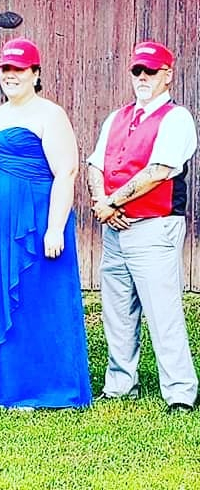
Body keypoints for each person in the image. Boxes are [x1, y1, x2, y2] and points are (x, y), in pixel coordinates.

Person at [0, 38, 91, 409]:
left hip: (34, 223)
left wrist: (55, 227)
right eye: (6, 69)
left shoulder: (51, 115)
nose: (11, 76)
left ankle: (41, 387)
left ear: (36, 74)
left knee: (35, 301)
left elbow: (65, 172)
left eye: (19, 69)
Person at [87, 40, 197, 413]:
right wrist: (103, 203)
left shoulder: (177, 118)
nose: (143, 77)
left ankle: (180, 391)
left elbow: (159, 172)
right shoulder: (116, 117)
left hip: (154, 226)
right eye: (138, 71)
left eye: (151, 71)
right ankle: (120, 384)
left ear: (168, 75)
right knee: (117, 310)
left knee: (162, 311)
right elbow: (94, 165)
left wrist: (110, 202)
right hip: (115, 227)